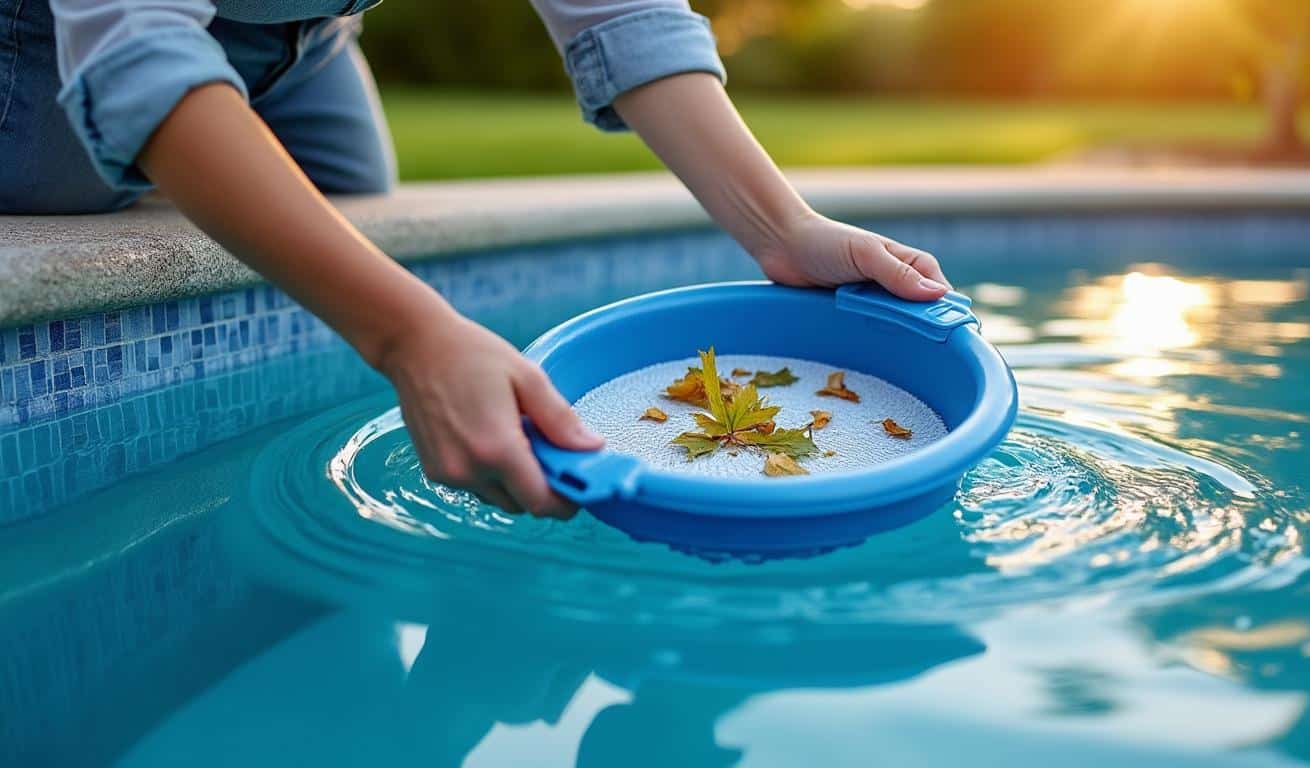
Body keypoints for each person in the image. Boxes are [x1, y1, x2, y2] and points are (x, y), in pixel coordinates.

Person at [0, 0, 952, 517]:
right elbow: (135, 49)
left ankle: (225, 115)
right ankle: (177, 145)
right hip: (48, 32)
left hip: (305, 34)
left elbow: (618, 11)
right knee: (79, 181)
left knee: (355, 183)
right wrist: (412, 337)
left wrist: (779, 227)